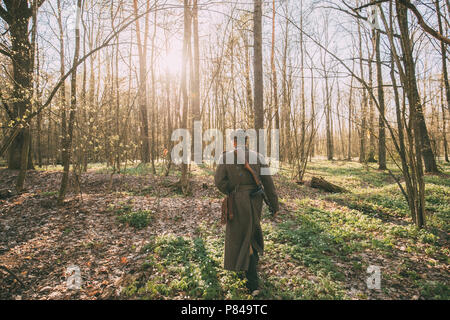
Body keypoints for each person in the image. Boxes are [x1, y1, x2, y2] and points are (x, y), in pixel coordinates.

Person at [214, 129, 279, 295]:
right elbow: (269, 184)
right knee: (250, 233)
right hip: (256, 200)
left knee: (244, 236)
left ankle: (252, 283)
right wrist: (274, 205)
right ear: (247, 141)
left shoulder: (225, 157)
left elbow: (219, 182)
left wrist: (233, 190)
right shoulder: (259, 157)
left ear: (234, 141)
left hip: (237, 201)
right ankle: (250, 272)